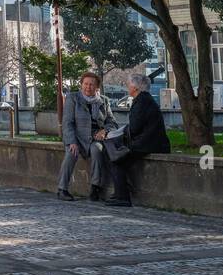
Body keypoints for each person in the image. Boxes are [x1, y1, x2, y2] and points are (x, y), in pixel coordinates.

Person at [107, 73, 170, 208]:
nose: (127, 87)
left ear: (135, 87)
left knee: (116, 160)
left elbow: (135, 128)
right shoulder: (145, 99)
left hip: (149, 144)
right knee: (120, 156)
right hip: (152, 142)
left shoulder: (141, 102)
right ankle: (121, 192)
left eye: (129, 84)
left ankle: (122, 196)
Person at [58, 70, 116, 201]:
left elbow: (112, 122)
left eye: (91, 84)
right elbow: (67, 123)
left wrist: (104, 131)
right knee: (70, 154)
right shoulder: (73, 98)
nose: (88, 87)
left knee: (97, 150)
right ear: (81, 84)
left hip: (95, 138)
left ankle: (95, 188)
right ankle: (62, 189)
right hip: (77, 137)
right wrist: (72, 141)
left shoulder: (104, 101)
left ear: (97, 87)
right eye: (85, 84)